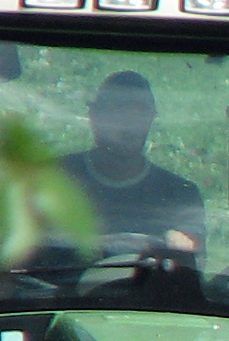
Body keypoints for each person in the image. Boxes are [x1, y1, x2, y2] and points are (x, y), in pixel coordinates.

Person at [58, 71, 205, 259]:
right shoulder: (48, 180)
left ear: (152, 118)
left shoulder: (181, 197)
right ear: (94, 115)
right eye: (118, 108)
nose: (130, 120)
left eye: (141, 110)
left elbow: (189, 264)